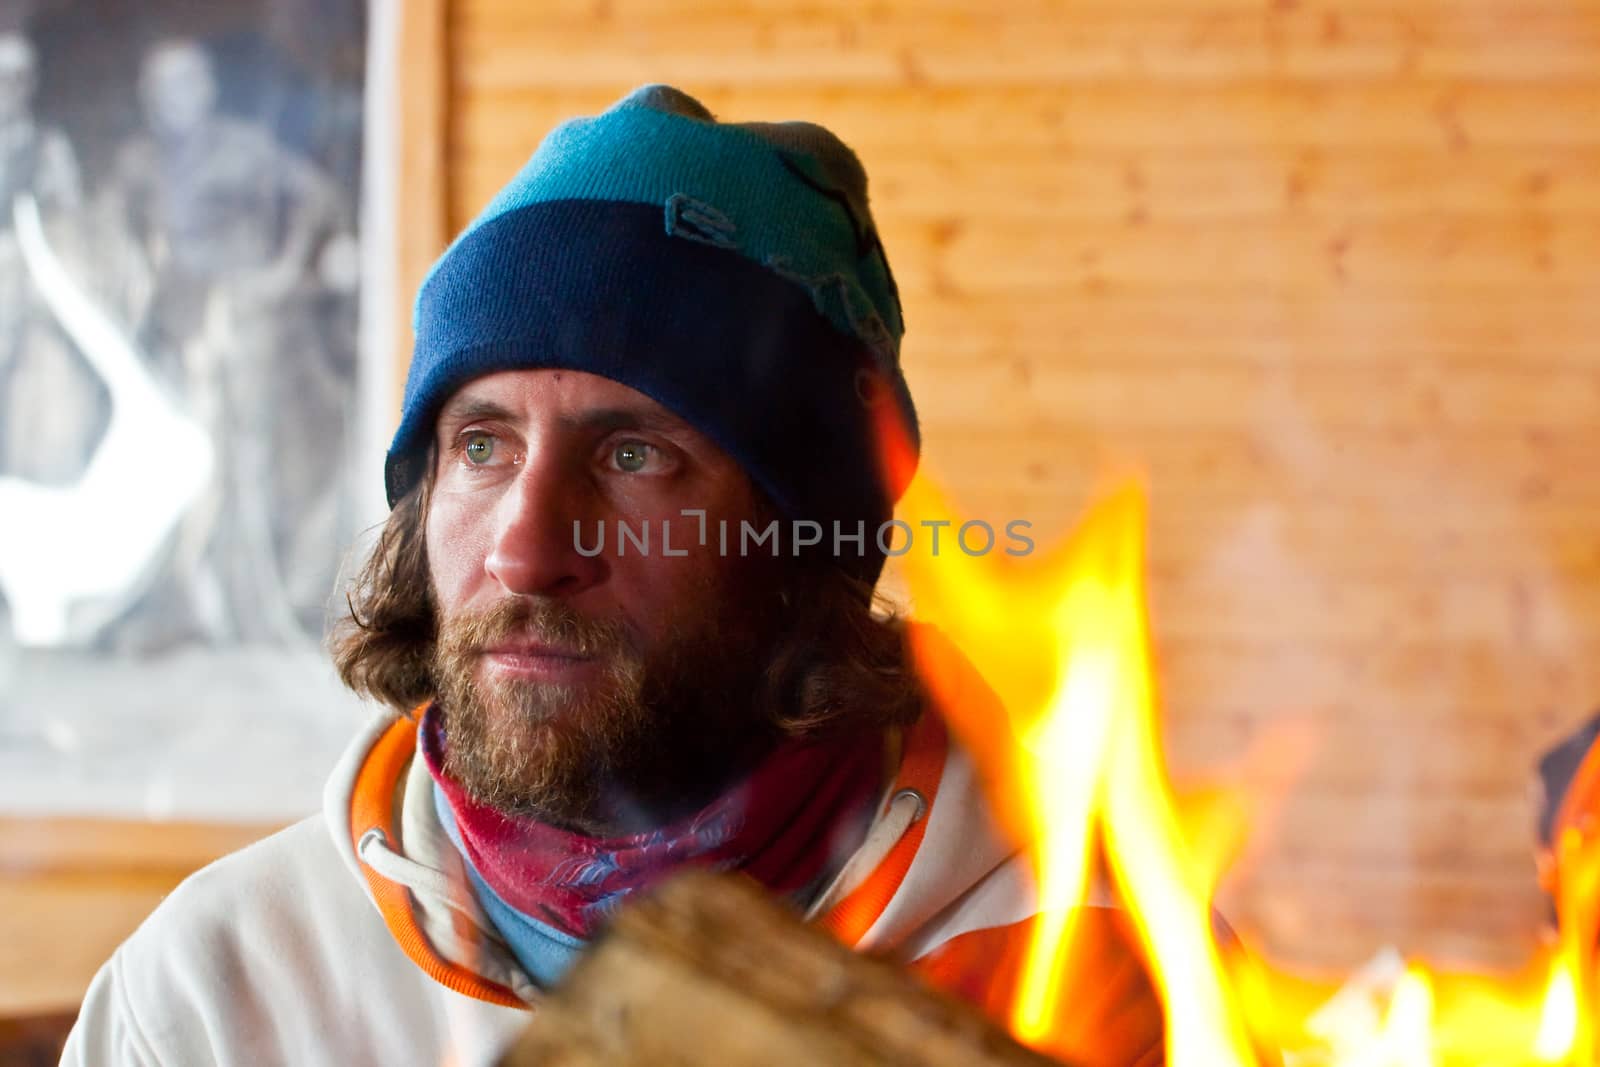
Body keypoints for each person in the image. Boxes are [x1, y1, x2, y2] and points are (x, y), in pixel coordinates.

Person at [61, 85, 1162, 1066]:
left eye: (635, 455)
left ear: (807, 540)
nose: (527, 550)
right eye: (482, 445)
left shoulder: (1078, 968)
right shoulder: (223, 993)